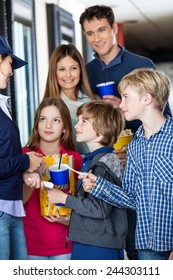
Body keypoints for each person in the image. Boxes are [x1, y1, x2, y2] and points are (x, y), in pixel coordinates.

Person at [79, 5, 172, 260]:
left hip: (138, 155)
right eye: (89, 33)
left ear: (114, 29)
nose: (96, 38)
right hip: (111, 164)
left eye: (101, 30)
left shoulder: (142, 65)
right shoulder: (87, 72)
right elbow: (132, 196)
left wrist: (132, 149)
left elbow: (164, 115)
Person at [47, 100, 128, 260]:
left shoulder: (102, 165)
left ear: (102, 131)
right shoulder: (93, 160)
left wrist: (64, 198)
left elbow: (99, 209)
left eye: (84, 121)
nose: (77, 126)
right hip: (91, 239)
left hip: (98, 245)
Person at [22, 97, 82, 260]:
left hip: (64, 242)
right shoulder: (24, 155)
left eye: (56, 120)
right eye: (43, 119)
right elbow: (19, 201)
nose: (48, 126)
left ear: (64, 128)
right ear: (37, 124)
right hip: (30, 243)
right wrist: (31, 177)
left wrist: (70, 221)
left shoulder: (74, 158)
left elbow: (80, 202)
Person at [0, 35, 43, 260]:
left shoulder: (2, 105)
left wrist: (24, 170)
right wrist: (25, 162)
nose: (11, 71)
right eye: (9, 64)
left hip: (12, 208)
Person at [42, 44, 96, 156]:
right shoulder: (48, 109)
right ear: (54, 72)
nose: (68, 75)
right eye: (62, 69)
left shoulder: (94, 102)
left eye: (74, 68)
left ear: (81, 70)